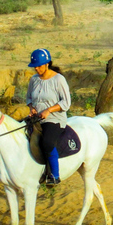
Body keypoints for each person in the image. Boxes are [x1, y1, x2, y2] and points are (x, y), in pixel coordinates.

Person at [25, 48, 71, 186]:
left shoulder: (58, 79)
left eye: (39, 66)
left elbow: (66, 102)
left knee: (47, 142)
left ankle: (54, 175)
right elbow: (28, 97)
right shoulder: (34, 80)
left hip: (54, 119)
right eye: (35, 67)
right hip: (37, 118)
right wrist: (32, 108)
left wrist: (49, 110)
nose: (37, 69)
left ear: (47, 64)